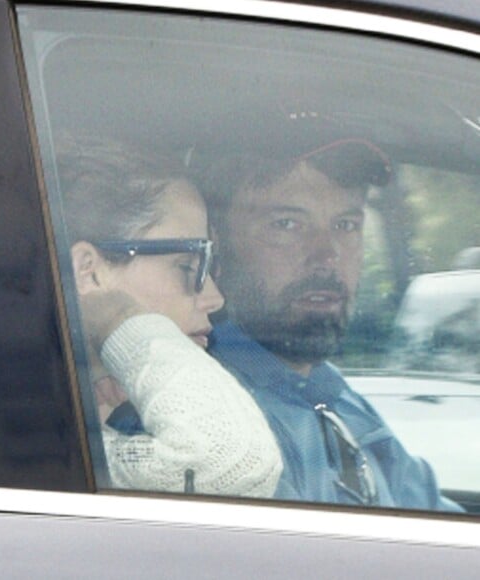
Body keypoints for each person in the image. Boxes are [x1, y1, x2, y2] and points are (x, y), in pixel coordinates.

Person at [197, 137, 462, 510]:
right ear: (216, 246)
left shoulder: (330, 391)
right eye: (287, 224)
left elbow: (434, 518)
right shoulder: (216, 422)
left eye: (346, 224)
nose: (328, 255)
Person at [56, 137, 282, 497]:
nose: (214, 298)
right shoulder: (12, 431)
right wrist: (118, 316)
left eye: (211, 267)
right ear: (89, 272)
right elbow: (230, 465)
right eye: (188, 265)